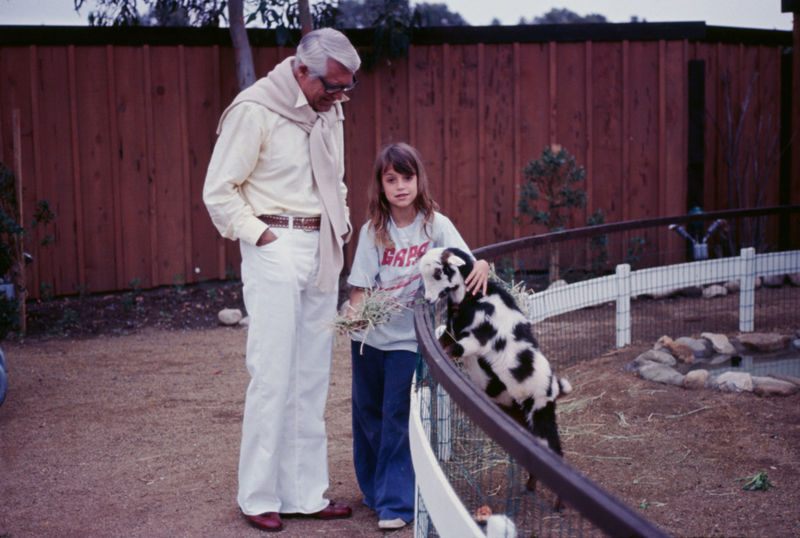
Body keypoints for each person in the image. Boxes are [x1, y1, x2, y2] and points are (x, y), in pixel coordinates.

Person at [203, 28, 361, 533]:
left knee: (312, 377)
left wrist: (340, 222)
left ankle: (305, 495)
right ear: (300, 71)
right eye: (332, 86)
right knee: (273, 375)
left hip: (321, 247)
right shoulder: (255, 109)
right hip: (275, 243)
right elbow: (219, 190)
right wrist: (261, 238)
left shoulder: (328, 109)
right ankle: (257, 495)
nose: (339, 97)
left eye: (345, 88)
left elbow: (333, 176)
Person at [345, 143, 489, 530]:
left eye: (406, 177)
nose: (400, 186)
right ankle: (376, 490)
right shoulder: (373, 231)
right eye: (391, 179)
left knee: (396, 416)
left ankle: (396, 504)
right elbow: (360, 288)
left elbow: (467, 260)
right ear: (381, 186)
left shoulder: (435, 225)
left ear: (418, 180)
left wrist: (485, 264)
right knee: (368, 415)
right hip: (371, 339)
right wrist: (353, 318)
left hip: (410, 341)